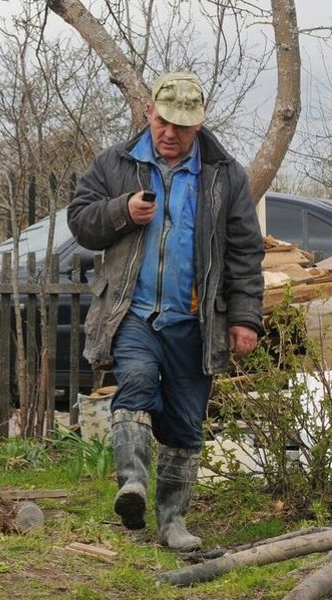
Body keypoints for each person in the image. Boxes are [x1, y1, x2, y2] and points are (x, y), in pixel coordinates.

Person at [67, 71, 264, 551]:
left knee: (184, 422)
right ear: (149, 113)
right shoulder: (116, 164)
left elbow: (244, 250)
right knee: (134, 382)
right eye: (162, 122)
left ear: (198, 125)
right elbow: (80, 222)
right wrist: (120, 211)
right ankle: (132, 483)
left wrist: (244, 317)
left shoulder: (223, 174)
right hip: (132, 312)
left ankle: (172, 522)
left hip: (195, 320)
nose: (169, 134)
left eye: (182, 126)